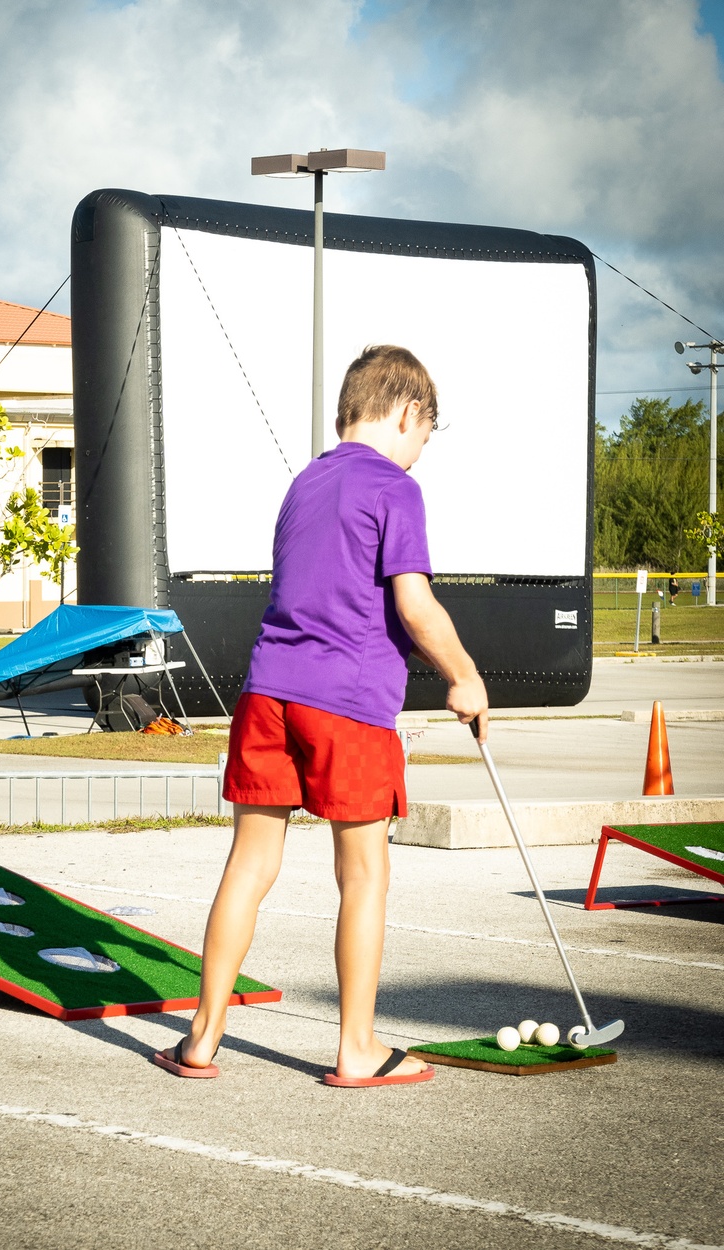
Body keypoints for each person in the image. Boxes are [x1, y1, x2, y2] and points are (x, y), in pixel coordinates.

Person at [153, 345, 489, 1088]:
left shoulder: (304, 482)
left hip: (268, 692)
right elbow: (413, 603)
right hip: (349, 704)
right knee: (364, 872)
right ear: (407, 413)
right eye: (426, 434)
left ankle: (201, 1038)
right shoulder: (396, 488)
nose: (421, 451)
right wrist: (463, 676)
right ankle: (358, 1047)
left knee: (250, 862)